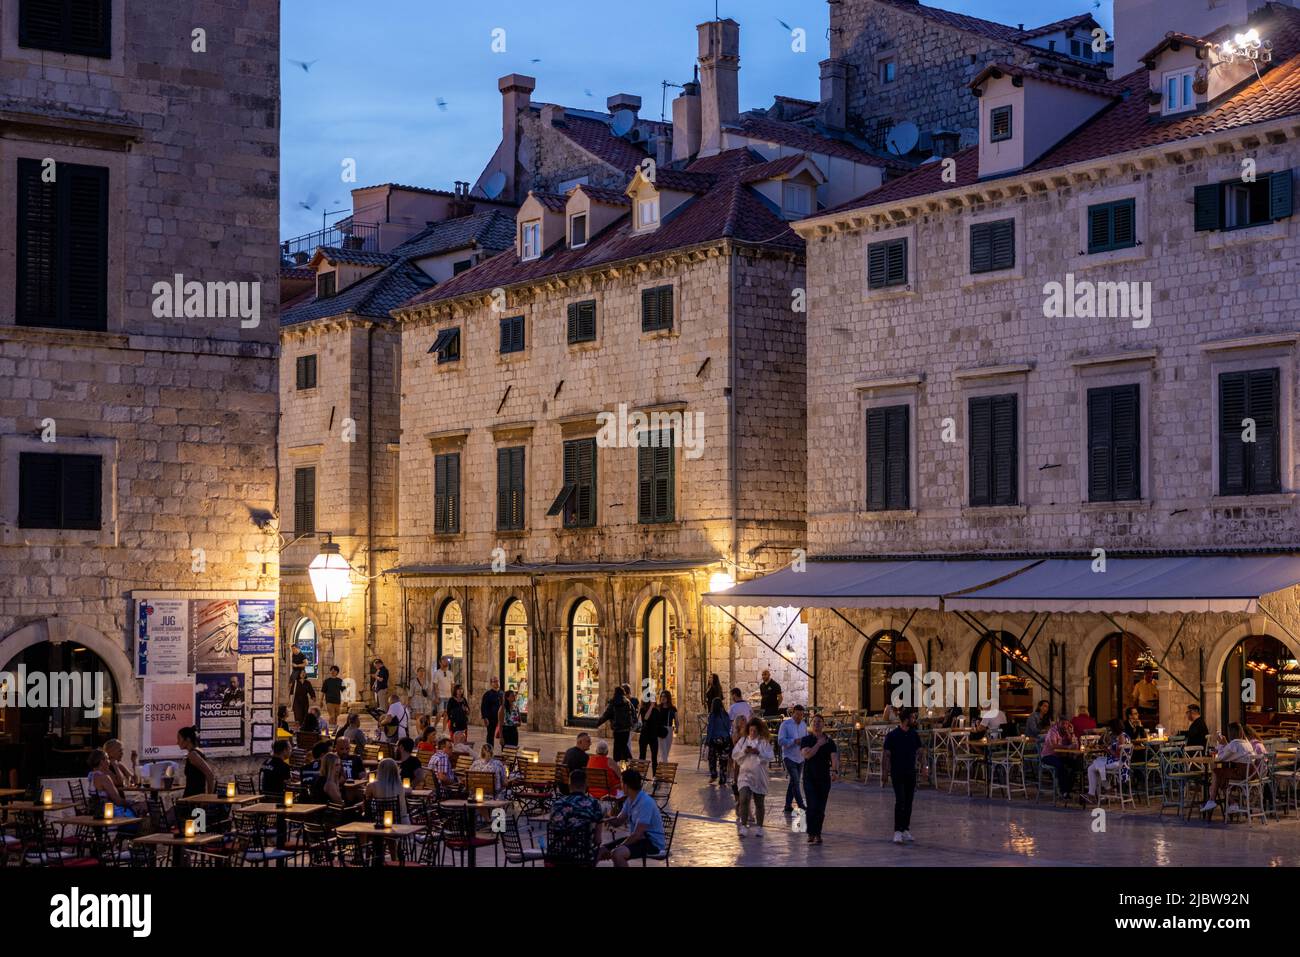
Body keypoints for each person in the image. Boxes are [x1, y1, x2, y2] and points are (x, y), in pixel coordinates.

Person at [598, 769, 664, 867]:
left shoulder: (645, 802)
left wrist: (618, 847)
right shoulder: (630, 800)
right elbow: (618, 821)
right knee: (600, 851)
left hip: (651, 843)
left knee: (617, 853)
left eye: (621, 782)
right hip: (639, 840)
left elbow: (637, 834)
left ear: (626, 785)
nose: (620, 786)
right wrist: (604, 813)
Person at [882, 707, 927, 844]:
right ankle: (897, 831)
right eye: (912, 718)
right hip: (897, 772)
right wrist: (884, 774)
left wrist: (924, 767)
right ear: (906, 719)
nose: (914, 720)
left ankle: (905, 829)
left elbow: (920, 752)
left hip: (910, 772)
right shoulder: (893, 735)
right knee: (900, 800)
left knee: (909, 801)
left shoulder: (914, 734)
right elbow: (886, 756)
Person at [800, 714, 839, 845]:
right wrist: (818, 744)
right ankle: (811, 833)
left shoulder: (829, 741)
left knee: (821, 807)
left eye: (819, 722)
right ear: (811, 725)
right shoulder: (806, 740)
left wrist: (834, 771)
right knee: (812, 805)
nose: (816, 724)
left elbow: (834, 757)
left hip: (823, 778)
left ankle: (818, 833)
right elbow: (807, 755)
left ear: (823, 724)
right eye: (814, 722)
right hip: (809, 777)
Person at [732, 717, 774, 836]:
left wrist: (759, 752)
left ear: (759, 731)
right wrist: (744, 752)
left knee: (759, 802)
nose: (753, 733)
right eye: (751, 730)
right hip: (745, 774)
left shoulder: (763, 742)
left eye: (755, 731)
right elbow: (734, 754)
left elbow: (770, 756)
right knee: (744, 798)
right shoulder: (743, 741)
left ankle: (759, 827)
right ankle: (744, 825)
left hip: (759, 776)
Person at [1201, 722, 1255, 813]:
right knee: (1221, 776)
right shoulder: (1247, 743)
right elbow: (1231, 752)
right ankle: (1231, 803)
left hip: (1241, 774)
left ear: (1230, 733)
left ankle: (1212, 799)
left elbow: (1221, 758)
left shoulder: (1235, 744)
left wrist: (1222, 744)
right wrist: (1225, 744)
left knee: (1216, 772)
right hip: (1251, 774)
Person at [548, 768, 605, 844]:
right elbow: (598, 841)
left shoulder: (557, 803)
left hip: (557, 851)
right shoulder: (593, 803)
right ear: (586, 785)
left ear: (569, 785)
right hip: (582, 852)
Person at [1086, 721, 1131, 801]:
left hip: (1118, 763)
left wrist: (1107, 749)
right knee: (1095, 766)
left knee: (1093, 767)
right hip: (1121, 761)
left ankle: (1098, 791)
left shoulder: (1121, 737)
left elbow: (1117, 755)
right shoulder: (1124, 735)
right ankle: (1102, 789)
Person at [777, 704, 808, 815]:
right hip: (789, 756)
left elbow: (806, 737)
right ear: (793, 713)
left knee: (793, 782)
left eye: (801, 715)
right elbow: (780, 741)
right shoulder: (785, 725)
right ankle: (801, 805)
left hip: (800, 757)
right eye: (797, 715)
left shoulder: (804, 725)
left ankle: (787, 805)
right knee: (796, 781)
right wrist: (794, 741)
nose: (799, 717)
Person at [87, 749, 136, 819]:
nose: (109, 762)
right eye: (107, 759)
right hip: (109, 815)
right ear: (101, 762)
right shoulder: (104, 778)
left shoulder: (91, 776)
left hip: (96, 814)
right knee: (141, 810)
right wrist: (132, 802)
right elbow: (118, 801)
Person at [1040, 717, 1078, 798]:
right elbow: (1053, 746)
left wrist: (1070, 733)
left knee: (1076, 765)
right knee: (1061, 766)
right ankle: (1063, 791)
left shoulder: (1067, 731)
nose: (1065, 725)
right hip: (1048, 755)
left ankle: (1068, 790)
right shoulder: (1053, 731)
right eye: (1063, 723)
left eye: (1067, 724)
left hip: (1060, 755)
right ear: (1058, 723)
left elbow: (1075, 745)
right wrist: (1067, 747)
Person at [365, 757, 409, 825]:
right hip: (401, 822)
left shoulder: (372, 786)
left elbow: (367, 803)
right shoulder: (400, 786)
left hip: (380, 822)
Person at [597, 686, 634, 761]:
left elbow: (606, 715)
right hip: (626, 730)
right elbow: (633, 714)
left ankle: (623, 763)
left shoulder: (613, 702)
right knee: (623, 746)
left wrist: (596, 723)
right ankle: (626, 764)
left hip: (618, 730)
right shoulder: (628, 702)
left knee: (618, 749)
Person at [177, 726, 215, 797]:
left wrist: (209, 798)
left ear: (187, 739)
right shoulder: (195, 753)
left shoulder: (193, 754)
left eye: (179, 739)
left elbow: (210, 774)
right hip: (191, 798)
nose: (177, 742)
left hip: (194, 799)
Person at [705, 698, 732, 785]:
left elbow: (710, 728)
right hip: (725, 739)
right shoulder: (726, 714)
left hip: (715, 739)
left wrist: (707, 741)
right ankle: (723, 778)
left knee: (712, 758)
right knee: (723, 759)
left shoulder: (713, 715)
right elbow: (728, 727)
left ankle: (714, 775)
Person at [638, 694, 664, 775]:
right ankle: (641, 775)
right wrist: (651, 707)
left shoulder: (656, 710)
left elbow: (659, 722)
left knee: (654, 758)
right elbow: (645, 718)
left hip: (653, 736)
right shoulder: (643, 710)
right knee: (642, 757)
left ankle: (654, 776)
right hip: (644, 736)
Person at [729, 714, 749, 798]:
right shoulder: (736, 733)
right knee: (737, 771)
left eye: (745, 720)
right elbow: (735, 744)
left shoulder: (748, 732)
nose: (744, 722)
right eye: (742, 721)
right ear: (738, 723)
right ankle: (736, 786)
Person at [480, 676, 503, 751]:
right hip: (491, 718)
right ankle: (489, 751)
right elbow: (484, 707)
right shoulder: (487, 694)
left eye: (497, 681)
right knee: (490, 735)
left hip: (501, 719)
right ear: (491, 683)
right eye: (495, 681)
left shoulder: (501, 693)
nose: (497, 683)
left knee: (503, 735)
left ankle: (504, 751)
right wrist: (485, 718)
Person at [432, 657, 456, 723]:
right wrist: (436, 697)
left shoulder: (450, 673)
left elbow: (452, 685)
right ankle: (435, 726)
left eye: (446, 661)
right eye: (444, 661)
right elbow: (435, 686)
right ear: (440, 663)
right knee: (440, 713)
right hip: (441, 696)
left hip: (449, 696)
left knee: (447, 713)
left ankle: (444, 731)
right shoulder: (437, 673)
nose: (446, 662)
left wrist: (453, 696)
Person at [657, 692, 678, 764]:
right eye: (661, 696)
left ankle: (661, 766)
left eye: (665, 696)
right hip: (660, 729)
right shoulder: (658, 707)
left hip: (669, 729)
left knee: (667, 750)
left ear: (668, 698)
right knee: (663, 751)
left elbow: (676, 719)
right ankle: (664, 766)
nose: (663, 698)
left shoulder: (673, 708)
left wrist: (677, 728)